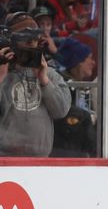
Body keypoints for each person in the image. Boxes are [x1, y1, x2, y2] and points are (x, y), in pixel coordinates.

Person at [0, 12, 71, 156]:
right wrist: (1, 76)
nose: (31, 44)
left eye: (34, 39)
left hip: (40, 161)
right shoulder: (3, 74)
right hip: (4, 160)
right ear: (10, 43)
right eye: (25, 39)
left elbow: (61, 111)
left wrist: (44, 80)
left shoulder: (50, 74)